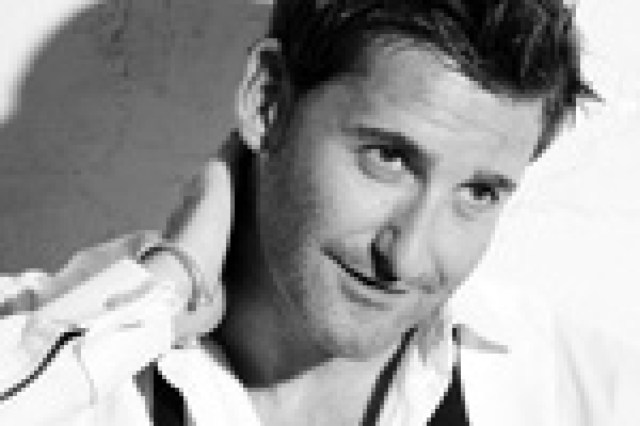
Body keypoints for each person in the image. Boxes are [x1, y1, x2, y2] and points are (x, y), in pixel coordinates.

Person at [1, 0, 638, 425]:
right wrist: (166, 284)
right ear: (268, 102)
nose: (408, 257)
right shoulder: (52, 353)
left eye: (478, 193)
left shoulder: (582, 394)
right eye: (388, 158)